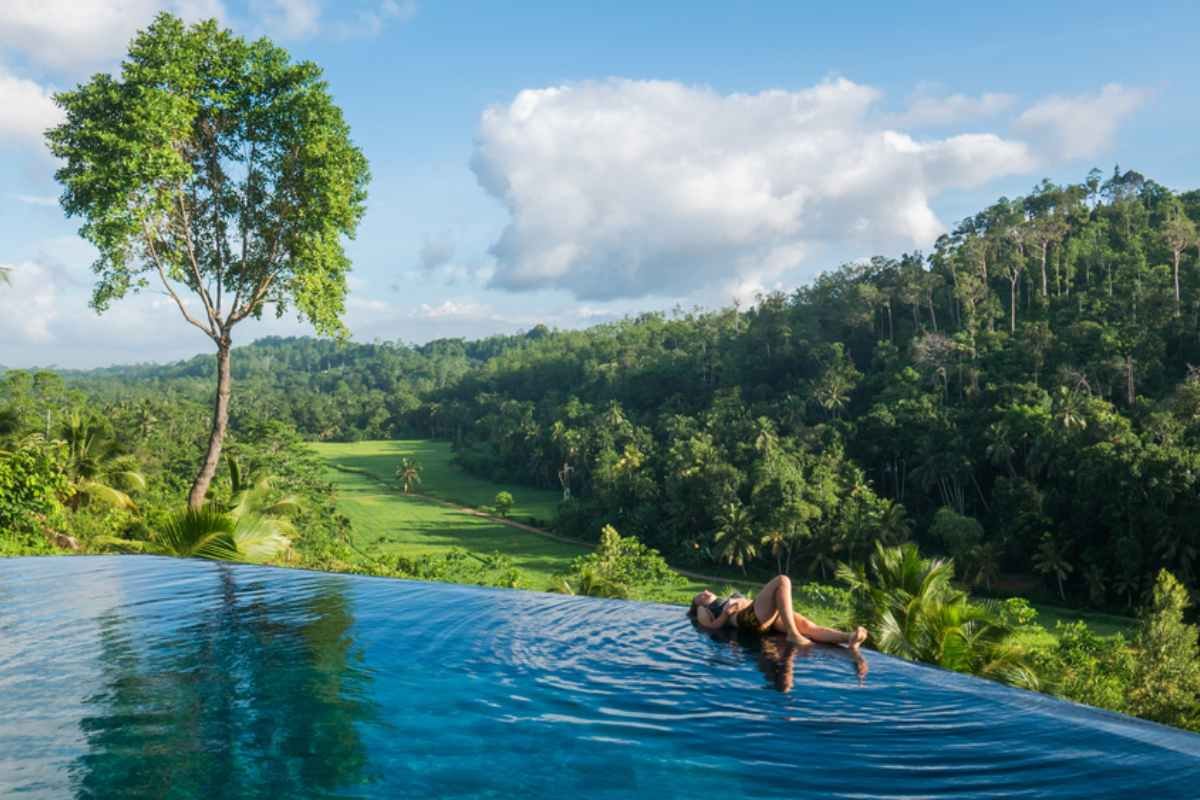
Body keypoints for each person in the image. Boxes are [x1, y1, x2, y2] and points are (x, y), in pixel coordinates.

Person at [688, 575, 868, 652]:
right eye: (699, 596)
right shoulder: (704, 609)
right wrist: (726, 613)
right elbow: (710, 627)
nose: (704, 592)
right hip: (747, 618)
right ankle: (792, 634)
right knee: (783, 580)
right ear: (697, 604)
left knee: (808, 627)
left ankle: (849, 638)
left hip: (765, 617)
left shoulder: (722, 597)